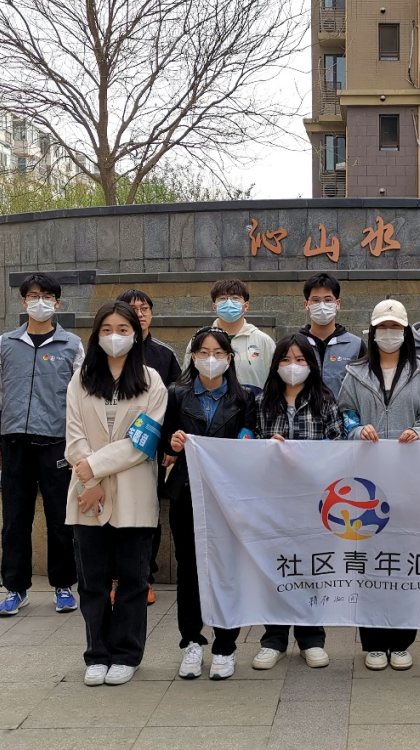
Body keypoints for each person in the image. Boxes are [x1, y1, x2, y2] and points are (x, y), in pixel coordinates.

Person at [65, 301, 168, 686]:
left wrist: (93, 468)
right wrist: (89, 481)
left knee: (132, 580)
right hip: (86, 495)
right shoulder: (81, 380)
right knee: (92, 581)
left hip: (133, 493)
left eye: (123, 329)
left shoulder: (152, 381)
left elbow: (142, 442)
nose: (115, 337)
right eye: (106, 329)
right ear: (96, 335)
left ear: (136, 334)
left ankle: (126, 654)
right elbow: (73, 436)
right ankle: (97, 654)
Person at [337, 299, 420, 671]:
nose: (389, 334)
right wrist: (356, 429)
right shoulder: (356, 372)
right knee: (369, 560)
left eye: (396, 327)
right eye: (383, 328)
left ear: (405, 331)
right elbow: (345, 412)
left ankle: (402, 641)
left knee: (405, 559)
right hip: (367, 483)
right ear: (373, 332)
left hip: (409, 478)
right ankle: (374, 641)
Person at [0, 273, 85, 617]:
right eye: (33, 296)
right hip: (15, 443)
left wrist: (77, 446)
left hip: (57, 444)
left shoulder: (72, 345)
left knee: (60, 519)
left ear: (57, 302)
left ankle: (63, 586)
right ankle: (15, 588)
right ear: (23, 301)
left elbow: (81, 399)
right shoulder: (4, 344)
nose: (39, 302)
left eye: (46, 296)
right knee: (15, 519)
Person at [163, 327, 258, 682]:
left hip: (229, 498)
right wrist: (172, 444)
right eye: (203, 352)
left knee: (227, 569)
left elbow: (252, 439)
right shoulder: (177, 395)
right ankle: (192, 641)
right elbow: (163, 443)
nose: (210, 359)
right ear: (193, 356)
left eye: (218, 353)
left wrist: (247, 441)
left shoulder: (245, 398)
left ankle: (225, 645)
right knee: (189, 570)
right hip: (188, 493)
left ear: (229, 358)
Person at [253, 333, 345, 671]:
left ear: (311, 365)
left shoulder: (324, 400)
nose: (293, 366)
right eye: (286, 360)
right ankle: (273, 639)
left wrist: (317, 455)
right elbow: (248, 445)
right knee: (276, 568)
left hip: (313, 500)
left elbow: (340, 443)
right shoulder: (263, 401)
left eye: (300, 360)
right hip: (274, 500)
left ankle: (311, 638)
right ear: (276, 365)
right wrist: (267, 444)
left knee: (311, 569)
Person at [119, 288, 182, 605]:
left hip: (151, 449)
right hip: (113, 448)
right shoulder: (109, 352)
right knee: (114, 514)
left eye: (144, 308)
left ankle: (145, 577)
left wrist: (170, 443)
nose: (139, 314)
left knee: (148, 513)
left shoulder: (163, 355)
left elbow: (176, 402)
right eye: (132, 309)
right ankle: (116, 578)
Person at [186, 277, 275, 390]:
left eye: (235, 298)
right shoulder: (199, 340)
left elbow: (275, 381)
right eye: (222, 298)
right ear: (214, 307)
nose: (229, 302)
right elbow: (187, 379)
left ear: (246, 306)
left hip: (252, 401)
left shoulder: (263, 341)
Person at [299, 273, 366, 399]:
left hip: (344, 412)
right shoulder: (294, 345)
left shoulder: (356, 346)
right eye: (316, 300)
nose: (322, 305)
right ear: (306, 305)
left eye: (328, 300)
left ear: (338, 304)